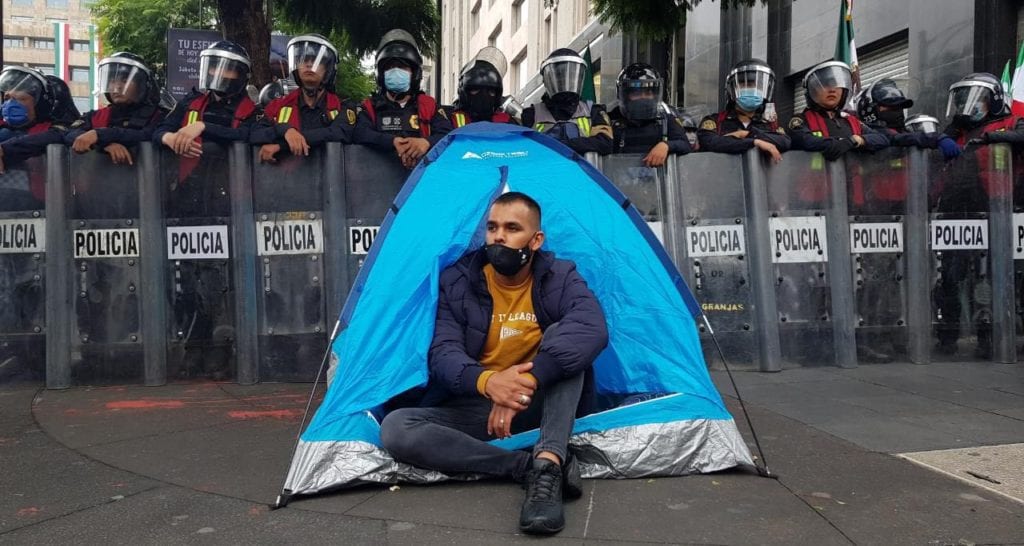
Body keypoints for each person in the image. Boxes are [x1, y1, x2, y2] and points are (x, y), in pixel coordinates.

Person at [379, 192, 608, 535]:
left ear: (536, 240)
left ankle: (548, 465)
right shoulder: (458, 282)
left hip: (542, 402)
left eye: (512, 228)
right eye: (492, 227)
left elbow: (590, 327)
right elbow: (443, 352)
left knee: (566, 339)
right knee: (397, 428)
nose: (498, 236)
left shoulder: (558, 276)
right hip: (481, 407)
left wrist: (525, 384)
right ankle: (522, 466)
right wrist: (489, 383)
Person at [934, 73, 1024, 358]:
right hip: (958, 213)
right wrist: (942, 140)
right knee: (951, 275)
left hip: (1000, 211)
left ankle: (992, 334)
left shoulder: (1011, 121)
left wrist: (992, 137)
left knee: (1000, 275)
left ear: (993, 100)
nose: (967, 106)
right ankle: (947, 334)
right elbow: (933, 143)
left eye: (975, 100)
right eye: (961, 100)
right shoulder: (956, 131)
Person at [0, 67, 78, 380]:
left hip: (42, 224)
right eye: (6, 97)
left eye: (20, 97)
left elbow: (59, 137)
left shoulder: (53, 128)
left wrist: (7, 149)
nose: (10, 103)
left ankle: (39, 355)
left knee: (37, 290)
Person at [354, 29, 452, 168]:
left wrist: (426, 142)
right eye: (390, 67)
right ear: (381, 74)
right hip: (376, 181)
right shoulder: (370, 107)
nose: (396, 71)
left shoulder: (428, 106)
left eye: (402, 66)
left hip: (421, 181)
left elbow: (448, 134)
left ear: (414, 73)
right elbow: (360, 133)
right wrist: (392, 142)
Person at [251, 34, 356, 163]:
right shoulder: (278, 105)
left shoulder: (343, 106)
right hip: (287, 180)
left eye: (317, 61)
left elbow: (337, 133)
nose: (309, 65)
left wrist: (281, 145)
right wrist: (285, 130)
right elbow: (254, 133)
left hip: (331, 179)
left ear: (327, 70)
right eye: (304, 60)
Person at [66, 52, 168, 165]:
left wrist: (99, 135)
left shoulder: (157, 114)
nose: (117, 86)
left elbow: (146, 135)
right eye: (112, 81)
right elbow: (68, 134)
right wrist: (104, 145)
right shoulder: (96, 116)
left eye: (125, 81)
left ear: (141, 85)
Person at [522, 49, 613, 156]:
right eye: (560, 78)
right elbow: (525, 148)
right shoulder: (532, 114)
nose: (565, 82)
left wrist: (563, 145)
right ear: (547, 80)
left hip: (581, 171)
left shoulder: (593, 111)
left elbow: (605, 143)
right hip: (545, 171)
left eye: (570, 77)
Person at [698, 59, 789, 162]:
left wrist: (745, 134)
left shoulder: (770, 123)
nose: (751, 89)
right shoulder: (715, 121)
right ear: (732, 89)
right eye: (744, 85)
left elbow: (784, 142)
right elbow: (711, 143)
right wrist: (755, 142)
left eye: (755, 85)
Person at [607, 63, 691, 167]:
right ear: (625, 95)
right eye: (637, 94)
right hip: (616, 179)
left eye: (648, 93)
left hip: (657, 179)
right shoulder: (611, 121)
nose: (643, 98)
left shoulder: (664, 119)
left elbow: (685, 144)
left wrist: (666, 145)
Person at [444, 46, 518, 127]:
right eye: (475, 89)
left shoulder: (505, 120)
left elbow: (519, 138)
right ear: (463, 92)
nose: (483, 96)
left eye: (491, 92)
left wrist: (525, 126)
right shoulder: (448, 118)